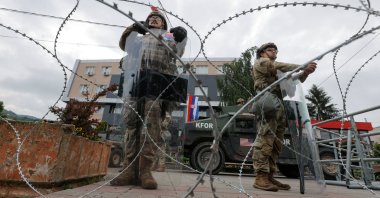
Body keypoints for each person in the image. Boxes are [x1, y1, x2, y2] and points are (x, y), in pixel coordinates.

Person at [110, 6, 187, 189]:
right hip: (136, 83)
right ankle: (128, 169)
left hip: (157, 85)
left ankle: (145, 171)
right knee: (132, 125)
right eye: (151, 17)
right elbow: (124, 45)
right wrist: (132, 28)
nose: (153, 19)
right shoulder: (139, 38)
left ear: (164, 24)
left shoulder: (167, 38)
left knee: (150, 128)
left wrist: (182, 38)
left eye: (158, 18)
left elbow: (178, 52)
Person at [251, 42, 316, 191]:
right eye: (269, 50)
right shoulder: (262, 62)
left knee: (276, 144)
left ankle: (269, 176)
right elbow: (277, 67)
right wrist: (302, 66)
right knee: (265, 139)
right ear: (262, 53)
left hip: (279, 106)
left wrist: (304, 73)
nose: (273, 52)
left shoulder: (279, 71)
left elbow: (290, 82)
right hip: (268, 103)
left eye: (275, 50)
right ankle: (260, 177)